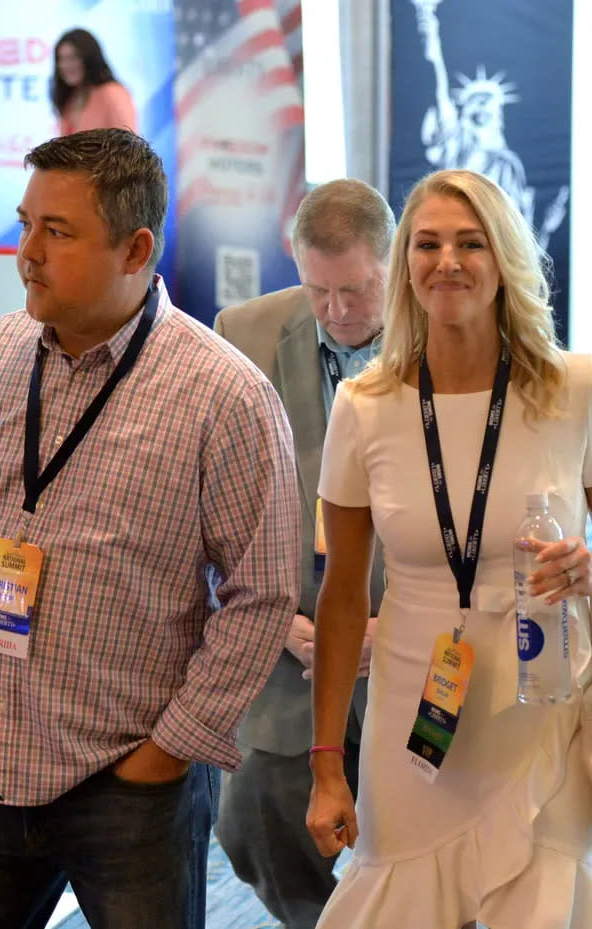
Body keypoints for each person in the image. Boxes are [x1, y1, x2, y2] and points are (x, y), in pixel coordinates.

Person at [0, 128, 300, 929]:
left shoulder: (223, 395)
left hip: (124, 786)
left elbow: (261, 592)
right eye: (26, 222)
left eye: (55, 232)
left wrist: (168, 750)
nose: (25, 251)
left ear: (135, 248)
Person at [305, 168, 592, 928]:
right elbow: (340, 595)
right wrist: (326, 761)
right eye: (426, 244)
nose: (447, 261)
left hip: (544, 700)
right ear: (404, 264)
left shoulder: (575, 388)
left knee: (539, 906)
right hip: (412, 722)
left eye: (470, 242)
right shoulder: (363, 407)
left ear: (504, 261)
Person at [211, 178, 393, 928]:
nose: (338, 311)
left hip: (411, 639)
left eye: (355, 289)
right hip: (292, 635)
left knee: (442, 840)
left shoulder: (449, 335)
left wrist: (397, 627)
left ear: (392, 265)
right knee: (251, 816)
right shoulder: (242, 334)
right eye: (318, 290)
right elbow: (205, 502)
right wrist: (269, 615)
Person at [50, 28, 137, 136]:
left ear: (89, 58)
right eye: (61, 59)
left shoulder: (112, 93)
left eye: (73, 58)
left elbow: (128, 144)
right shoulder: (72, 98)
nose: (65, 65)